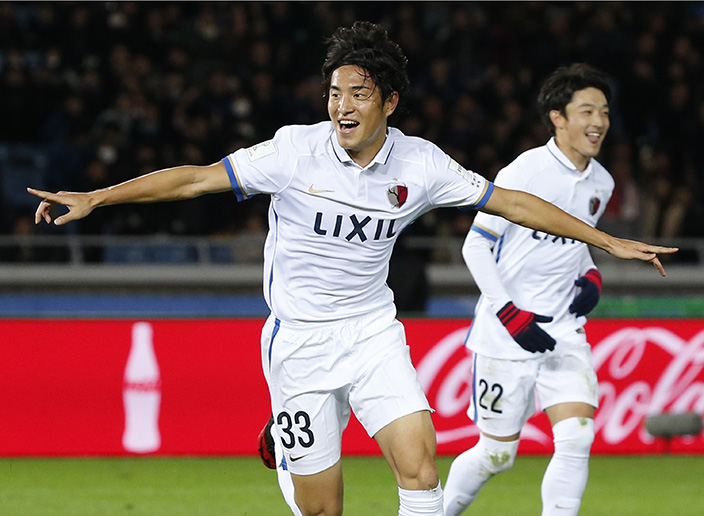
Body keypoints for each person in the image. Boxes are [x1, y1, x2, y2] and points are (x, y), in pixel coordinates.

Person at [29, 23, 675, 516]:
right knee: (324, 507)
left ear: (388, 101)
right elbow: (196, 179)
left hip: (371, 331)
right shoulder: (293, 152)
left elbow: (509, 202)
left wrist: (605, 242)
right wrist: (98, 197)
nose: (341, 105)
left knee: (422, 468)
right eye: (334, 92)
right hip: (301, 341)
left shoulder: (420, 164)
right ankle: (288, 442)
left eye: (357, 94)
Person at [443, 63, 621, 516]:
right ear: (558, 118)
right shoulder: (525, 171)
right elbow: (475, 245)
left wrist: (590, 274)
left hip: (563, 328)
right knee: (497, 455)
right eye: (586, 110)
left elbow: (579, 245)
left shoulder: (602, 182)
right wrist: (508, 312)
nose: (598, 121)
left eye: (603, 110)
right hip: (506, 332)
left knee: (578, 434)